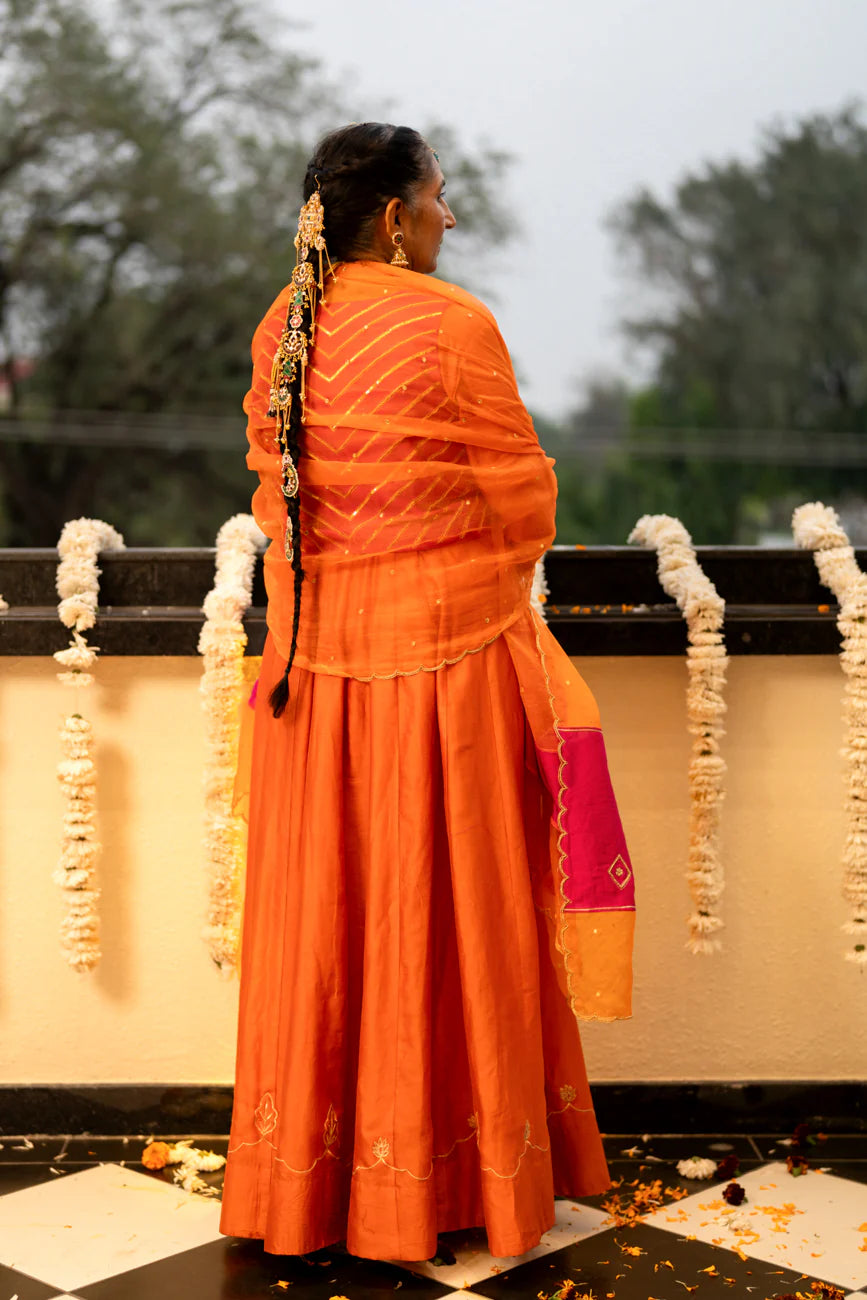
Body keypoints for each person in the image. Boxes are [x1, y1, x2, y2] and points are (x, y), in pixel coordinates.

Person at [219, 122, 635, 1265]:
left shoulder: (284, 326)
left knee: (335, 924)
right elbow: (522, 500)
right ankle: (460, 1179)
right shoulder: (453, 322)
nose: (450, 218)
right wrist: (457, 583)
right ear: (395, 218)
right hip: (445, 674)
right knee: (448, 920)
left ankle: (313, 1191)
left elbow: (279, 498)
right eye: (440, 199)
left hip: (313, 683)